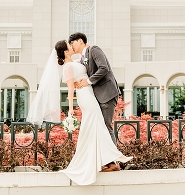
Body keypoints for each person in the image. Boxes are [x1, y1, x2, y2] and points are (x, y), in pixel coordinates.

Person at [30, 40, 131, 185]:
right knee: (98, 126)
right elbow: (70, 89)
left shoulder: (78, 61)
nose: (71, 46)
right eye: (68, 45)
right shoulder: (68, 67)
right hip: (85, 97)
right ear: (65, 52)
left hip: (91, 95)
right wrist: (70, 109)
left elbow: (87, 62)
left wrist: (86, 49)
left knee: (96, 127)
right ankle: (110, 160)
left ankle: (106, 160)